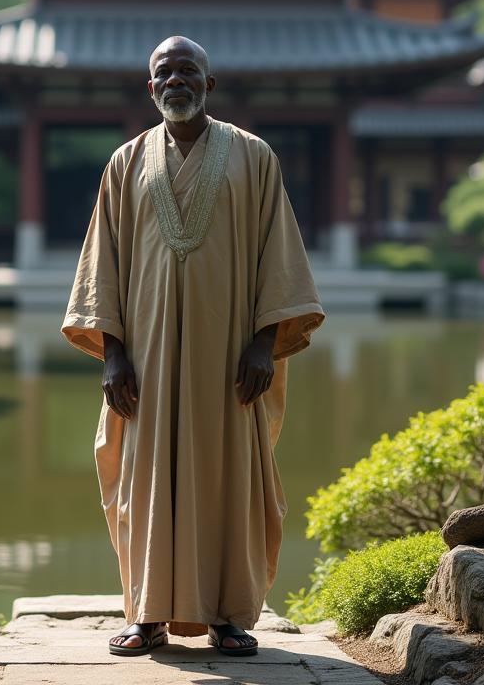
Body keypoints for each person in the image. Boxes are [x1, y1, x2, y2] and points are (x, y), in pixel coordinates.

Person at [61, 35, 324, 658]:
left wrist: (264, 343)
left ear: (210, 84)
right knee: (143, 473)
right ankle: (147, 614)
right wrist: (114, 354)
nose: (175, 81)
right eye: (164, 73)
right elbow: (105, 264)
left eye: (188, 71)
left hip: (230, 354)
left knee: (229, 470)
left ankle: (230, 616)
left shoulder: (254, 157)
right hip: (145, 357)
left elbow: (277, 257)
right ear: (150, 88)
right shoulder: (124, 163)